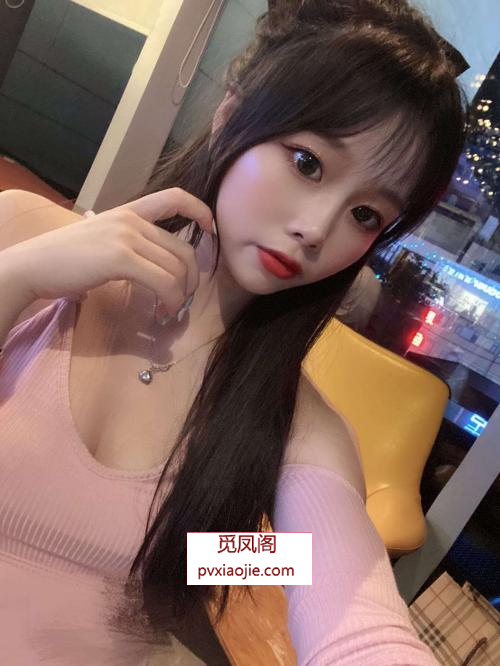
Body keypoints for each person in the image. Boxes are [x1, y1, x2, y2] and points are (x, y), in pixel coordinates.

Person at [0, 0, 468, 663]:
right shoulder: (22, 234)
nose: (317, 229)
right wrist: (15, 279)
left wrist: (216, 551)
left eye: (366, 214)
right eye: (307, 162)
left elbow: (356, 622)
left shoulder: (299, 430)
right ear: (231, 114)